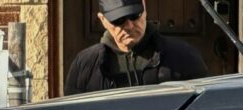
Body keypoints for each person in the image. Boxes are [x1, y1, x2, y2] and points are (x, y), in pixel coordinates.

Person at [65, 0, 209, 96]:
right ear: (103, 20)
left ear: (145, 8)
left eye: (134, 15)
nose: (128, 26)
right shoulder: (85, 66)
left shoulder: (183, 56)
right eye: (118, 20)